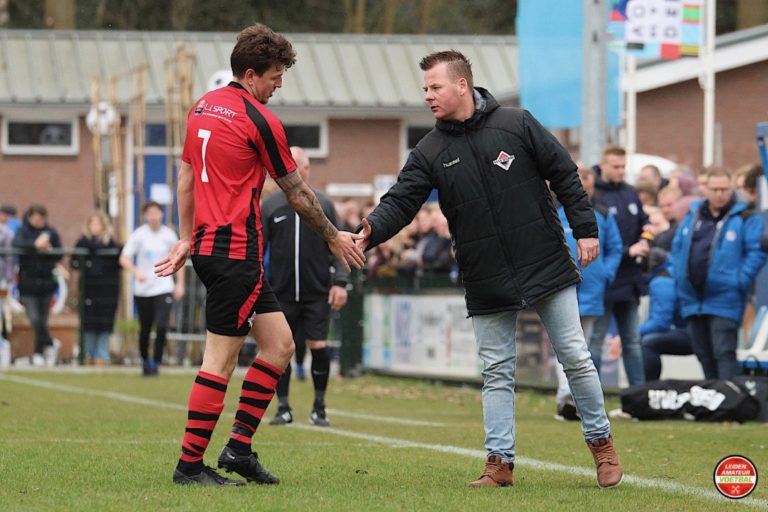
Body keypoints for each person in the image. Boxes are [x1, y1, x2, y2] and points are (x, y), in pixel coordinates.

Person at [357, 50, 622, 489]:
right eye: (424, 89)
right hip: (485, 275)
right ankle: (499, 464)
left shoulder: (517, 123)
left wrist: (585, 230)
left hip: (545, 262)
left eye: (435, 87)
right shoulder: (429, 150)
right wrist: (368, 232)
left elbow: (565, 175)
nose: (427, 96)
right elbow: (401, 202)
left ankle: (602, 445)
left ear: (462, 85)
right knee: (497, 371)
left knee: (575, 357)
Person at [153, 23, 364, 487]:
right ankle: (189, 467)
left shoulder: (202, 107)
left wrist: (187, 237)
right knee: (220, 361)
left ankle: (239, 450)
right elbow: (297, 193)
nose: (280, 83)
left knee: (280, 345)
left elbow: (186, 180)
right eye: (275, 75)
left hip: (212, 248)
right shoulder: (259, 120)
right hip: (235, 252)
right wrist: (334, 237)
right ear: (251, 75)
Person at [263, 146, 349, 427]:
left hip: (316, 291)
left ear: (307, 169)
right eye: (290, 165)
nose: (295, 170)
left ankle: (319, 407)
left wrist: (339, 283)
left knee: (318, 345)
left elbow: (338, 246)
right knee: (281, 348)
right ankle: (283, 407)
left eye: (300, 165)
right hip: (281, 292)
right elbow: (257, 248)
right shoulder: (271, 206)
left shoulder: (323, 205)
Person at [671, 167, 767, 379]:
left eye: (724, 189)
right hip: (692, 298)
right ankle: (713, 402)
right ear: (706, 190)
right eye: (715, 189)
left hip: (725, 298)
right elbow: (677, 248)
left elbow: (757, 253)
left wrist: (738, 280)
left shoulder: (744, 216)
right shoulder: (694, 214)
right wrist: (679, 277)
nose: (720, 194)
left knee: (724, 352)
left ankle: (729, 405)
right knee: (703, 354)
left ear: (731, 189)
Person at [553, 166, 622, 421]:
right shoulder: (555, 212)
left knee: (587, 347)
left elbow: (615, 247)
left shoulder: (603, 214)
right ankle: (565, 398)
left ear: (594, 181)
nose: (582, 181)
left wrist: (606, 273)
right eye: (577, 176)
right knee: (564, 346)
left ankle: (582, 400)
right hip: (561, 286)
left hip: (592, 289)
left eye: (586, 176)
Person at [590, 145, 648, 386]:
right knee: (595, 341)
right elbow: (597, 242)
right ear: (603, 166)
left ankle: (639, 394)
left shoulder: (630, 193)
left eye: (624, 166)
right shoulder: (595, 198)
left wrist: (646, 238)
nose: (621, 171)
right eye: (616, 166)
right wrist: (627, 251)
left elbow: (645, 223)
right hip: (604, 281)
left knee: (632, 341)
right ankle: (592, 398)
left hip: (630, 281)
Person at [120, 201, 185, 376]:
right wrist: (136, 272)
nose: (154, 215)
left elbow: (179, 260)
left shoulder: (169, 235)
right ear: (145, 215)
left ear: (162, 214)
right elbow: (124, 258)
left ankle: (156, 361)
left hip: (163, 287)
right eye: (150, 212)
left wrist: (180, 284)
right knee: (145, 328)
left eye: (157, 212)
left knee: (162, 325)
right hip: (143, 289)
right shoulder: (139, 235)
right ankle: (145, 361)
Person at [12, 204, 62, 366]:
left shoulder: (51, 232)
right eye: (35, 218)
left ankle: (38, 353)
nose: (38, 221)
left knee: (42, 320)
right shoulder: (23, 232)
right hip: (28, 284)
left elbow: (60, 252)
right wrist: (35, 245)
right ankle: (51, 342)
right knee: (34, 319)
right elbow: (16, 245)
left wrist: (50, 249)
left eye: (41, 218)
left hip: (46, 284)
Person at [72, 212, 121, 365]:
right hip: (89, 289)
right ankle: (86, 354)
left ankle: (101, 355)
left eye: (98, 224)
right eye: (92, 224)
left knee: (104, 322)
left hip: (107, 290)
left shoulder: (111, 244)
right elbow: (74, 262)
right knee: (88, 321)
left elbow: (119, 261)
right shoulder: (82, 243)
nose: (95, 227)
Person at [639, 248, 692, 381]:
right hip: (696, 329)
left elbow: (660, 323)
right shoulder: (673, 270)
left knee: (646, 342)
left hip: (691, 333)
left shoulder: (662, 281)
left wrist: (632, 333)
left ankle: (648, 389)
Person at [0, 212, 13, 368]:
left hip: (1, 280)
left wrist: (8, 279)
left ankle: (4, 349)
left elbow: (10, 258)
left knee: (2, 313)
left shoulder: (6, 233)